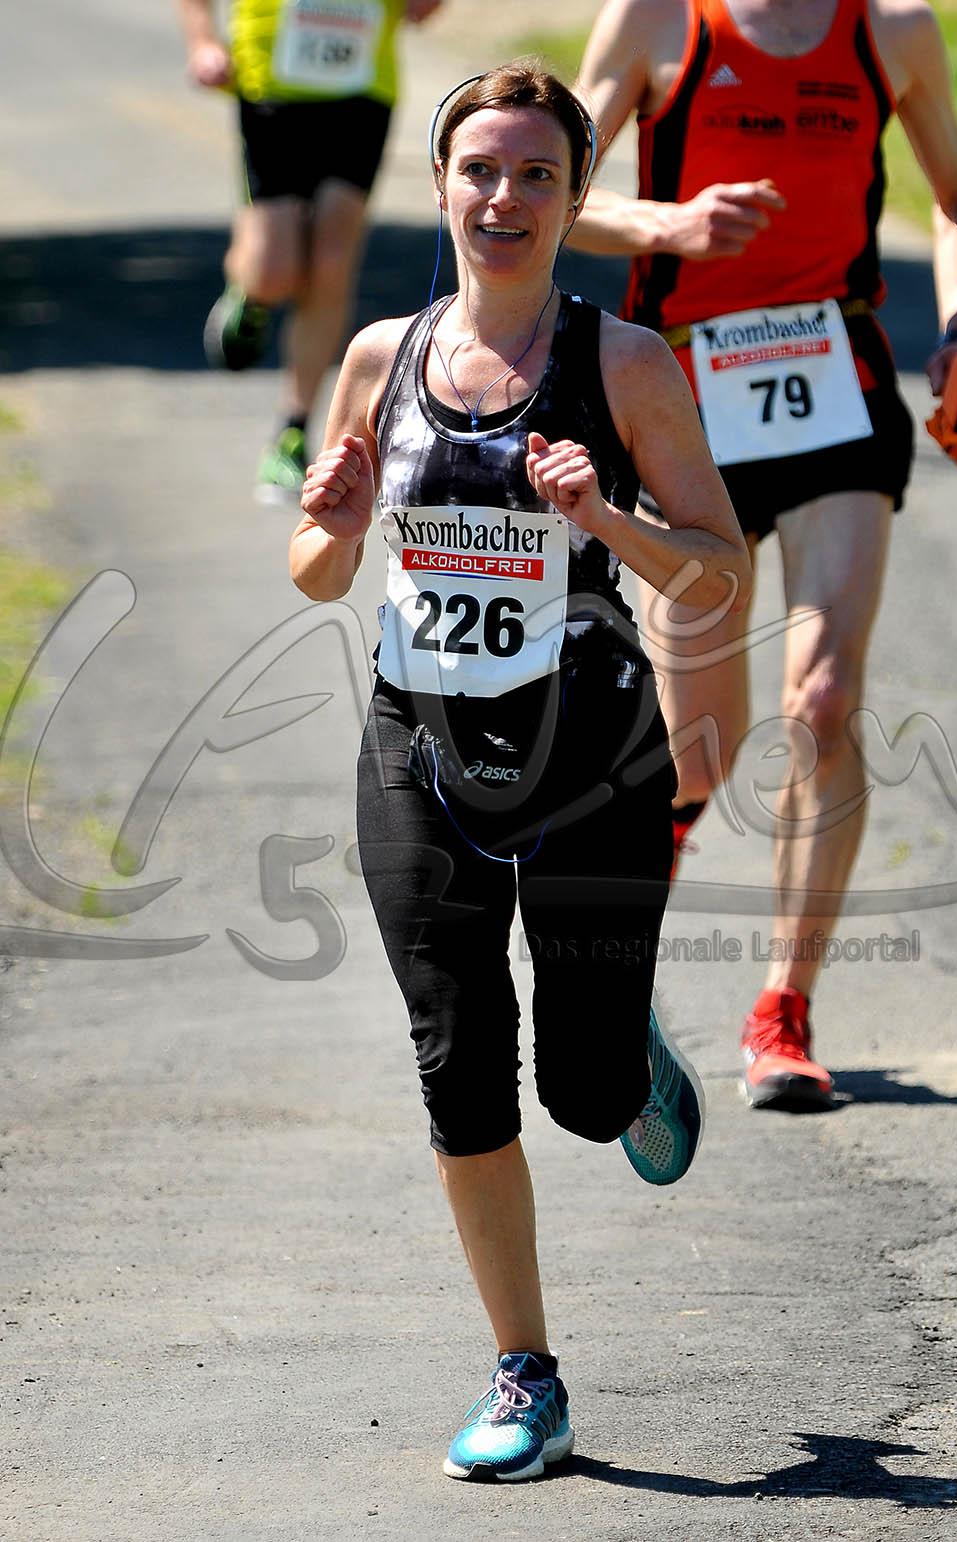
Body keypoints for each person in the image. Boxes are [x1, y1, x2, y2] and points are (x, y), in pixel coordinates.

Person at [290, 65, 751, 1479]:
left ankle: (628, 1061)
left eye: (536, 174)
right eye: (480, 170)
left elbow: (718, 573)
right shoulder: (380, 358)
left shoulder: (626, 365)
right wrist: (333, 523)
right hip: (418, 747)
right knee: (457, 1056)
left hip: (592, 758)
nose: (504, 198)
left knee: (584, 1094)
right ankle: (525, 1373)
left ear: (574, 195)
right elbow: (316, 571)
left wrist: (606, 514)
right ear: (442, 184)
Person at [571, 0, 957, 1110]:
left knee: (823, 699)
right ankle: (616, 947)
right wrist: (670, 225)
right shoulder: (657, 22)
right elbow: (556, 194)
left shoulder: (890, 30)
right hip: (681, 399)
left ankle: (782, 1011)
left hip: (832, 381)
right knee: (697, 754)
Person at [176, 0, 443, 502]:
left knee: (332, 264)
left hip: (361, 89)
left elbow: (422, 11)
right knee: (273, 271)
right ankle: (250, 289)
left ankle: (293, 431)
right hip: (270, 83)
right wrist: (203, 41)